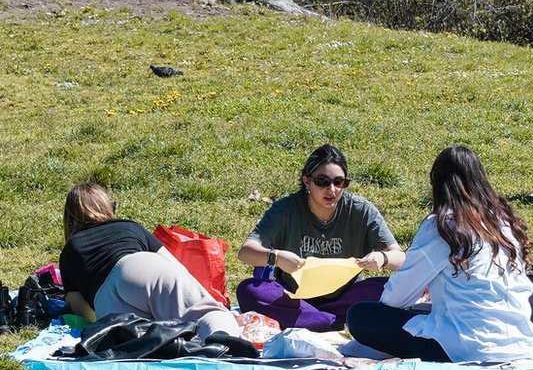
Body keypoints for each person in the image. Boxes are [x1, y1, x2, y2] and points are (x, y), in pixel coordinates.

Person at [346, 146, 533, 363]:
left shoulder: (443, 226)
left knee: (362, 316)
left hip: (468, 347)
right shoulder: (504, 224)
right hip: (521, 345)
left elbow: (398, 296)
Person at [236, 144, 405, 331]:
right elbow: (246, 252)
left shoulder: (360, 210)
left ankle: (315, 321)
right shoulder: (286, 209)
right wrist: (276, 257)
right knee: (249, 290)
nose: (331, 189)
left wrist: (382, 258)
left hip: (344, 297)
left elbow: (400, 257)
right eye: (322, 181)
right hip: (294, 298)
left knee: (393, 286)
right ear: (307, 182)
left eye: (339, 182)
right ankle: (336, 322)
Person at [59, 183, 239, 340]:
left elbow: (83, 314)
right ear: (107, 208)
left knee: (140, 339)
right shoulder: (129, 226)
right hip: (146, 266)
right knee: (207, 314)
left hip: (108, 296)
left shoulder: (70, 250)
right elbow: (176, 266)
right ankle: (221, 338)